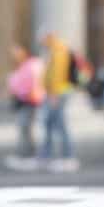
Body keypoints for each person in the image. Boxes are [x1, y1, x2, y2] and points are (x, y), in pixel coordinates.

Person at [38, 31, 79, 170]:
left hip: (58, 93)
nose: (41, 43)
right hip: (55, 92)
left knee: (60, 125)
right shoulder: (55, 50)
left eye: (42, 40)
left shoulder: (59, 51)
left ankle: (68, 156)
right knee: (50, 124)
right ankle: (46, 156)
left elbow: (57, 74)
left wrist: (53, 93)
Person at [5, 43, 45, 164]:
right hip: (22, 100)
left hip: (30, 100)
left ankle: (28, 154)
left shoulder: (32, 64)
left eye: (16, 52)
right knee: (24, 128)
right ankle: (27, 153)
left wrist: (34, 91)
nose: (14, 56)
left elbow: (36, 80)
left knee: (25, 127)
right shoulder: (21, 66)